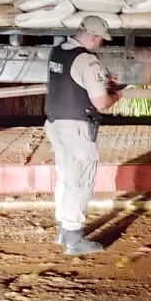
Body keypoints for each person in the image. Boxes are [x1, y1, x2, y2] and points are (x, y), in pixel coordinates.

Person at [44, 15, 125, 256]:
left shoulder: (58, 52)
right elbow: (101, 102)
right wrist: (116, 95)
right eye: (100, 39)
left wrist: (102, 82)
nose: (100, 43)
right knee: (80, 182)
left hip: (55, 123)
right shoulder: (88, 61)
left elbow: (71, 82)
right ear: (94, 36)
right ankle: (74, 239)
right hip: (76, 128)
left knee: (66, 178)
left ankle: (63, 230)